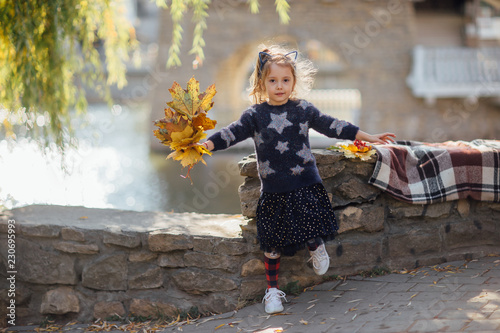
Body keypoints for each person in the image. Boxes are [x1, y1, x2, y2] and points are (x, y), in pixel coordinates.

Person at [201, 45, 396, 314]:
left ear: (293, 81)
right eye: (272, 81)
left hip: (304, 182)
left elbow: (333, 125)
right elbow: (230, 133)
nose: (279, 86)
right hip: (273, 190)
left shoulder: (303, 110)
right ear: (261, 82)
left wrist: (368, 136)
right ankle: (271, 293)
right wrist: (207, 145)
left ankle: (316, 246)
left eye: (285, 80)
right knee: (272, 244)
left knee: (310, 222)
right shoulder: (254, 116)